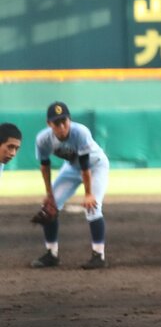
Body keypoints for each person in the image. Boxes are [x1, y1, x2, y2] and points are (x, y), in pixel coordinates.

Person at [32, 102, 110, 270]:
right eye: (56, 123)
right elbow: (44, 166)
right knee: (49, 207)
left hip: (95, 166)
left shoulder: (80, 132)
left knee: (93, 207)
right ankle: (51, 254)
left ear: (70, 120)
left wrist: (88, 194)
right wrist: (49, 194)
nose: (61, 126)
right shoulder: (43, 139)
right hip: (71, 168)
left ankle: (99, 256)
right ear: (49, 124)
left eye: (64, 121)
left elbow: (85, 167)